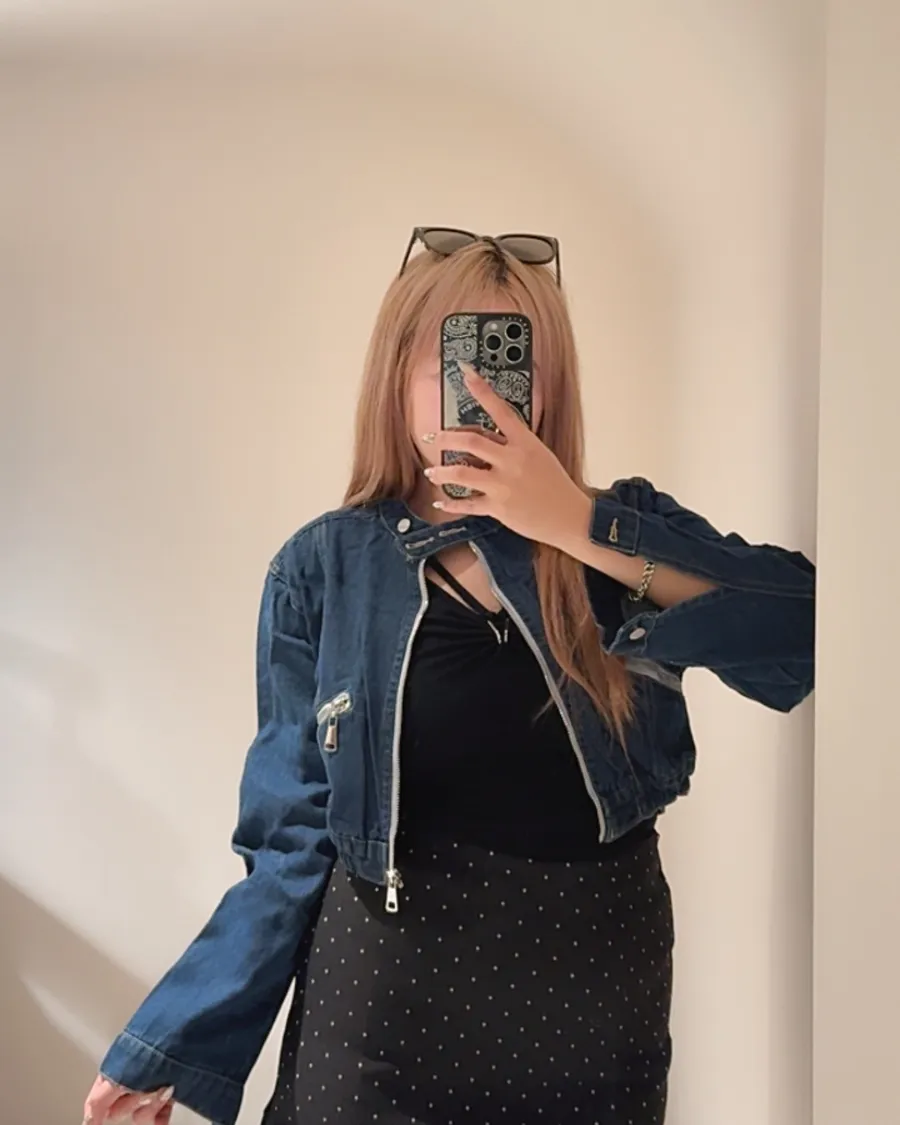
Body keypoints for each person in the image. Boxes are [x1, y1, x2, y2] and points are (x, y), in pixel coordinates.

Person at [82, 229, 816, 1125]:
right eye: (453, 357)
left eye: (510, 358)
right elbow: (289, 842)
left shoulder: (620, 539)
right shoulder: (324, 570)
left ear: (551, 385)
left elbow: (809, 631)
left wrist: (577, 522)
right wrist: (175, 1039)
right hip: (385, 1024)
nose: (480, 389)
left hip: (594, 1032)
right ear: (396, 376)